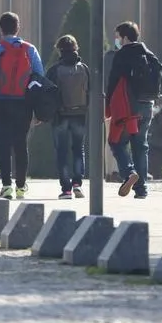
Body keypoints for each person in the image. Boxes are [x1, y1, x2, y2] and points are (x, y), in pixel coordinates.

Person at [0, 12, 45, 200]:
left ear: (0, 29)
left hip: (0, 103)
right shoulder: (30, 49)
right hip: (23, 103)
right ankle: (21, 186)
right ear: (18, 28)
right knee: (21, 144)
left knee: (3, 144)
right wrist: (37, 109)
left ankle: (6, 186)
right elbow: (39, 77)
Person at [105, 21, 162, 199]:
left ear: (124, 37)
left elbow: (114, 81)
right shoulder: (149, 54)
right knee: (141, 146)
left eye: (118, 37)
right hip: (148, 104)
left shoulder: (123, 55)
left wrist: (108, 104)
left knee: (117, 142)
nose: (117, 41)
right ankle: (142, 189)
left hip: (129, 106)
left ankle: (129, 173)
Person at [46, 34, 90, 199]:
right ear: (75, 48)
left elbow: (47, 94)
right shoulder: (84, 68)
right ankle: (77, 183)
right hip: (80, 114)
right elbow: (91, 91)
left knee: (62, 152)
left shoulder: (54, 70)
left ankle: (66, 189)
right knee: (79, 149)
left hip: (60, 116)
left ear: (60, 50)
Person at [102, 41, 120, 183]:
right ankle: (115, 171)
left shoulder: (107, 57)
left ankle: (108, 172)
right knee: (118, 137)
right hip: (119, 100)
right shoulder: (122, 57)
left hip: (106, 100)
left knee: (109, 137)